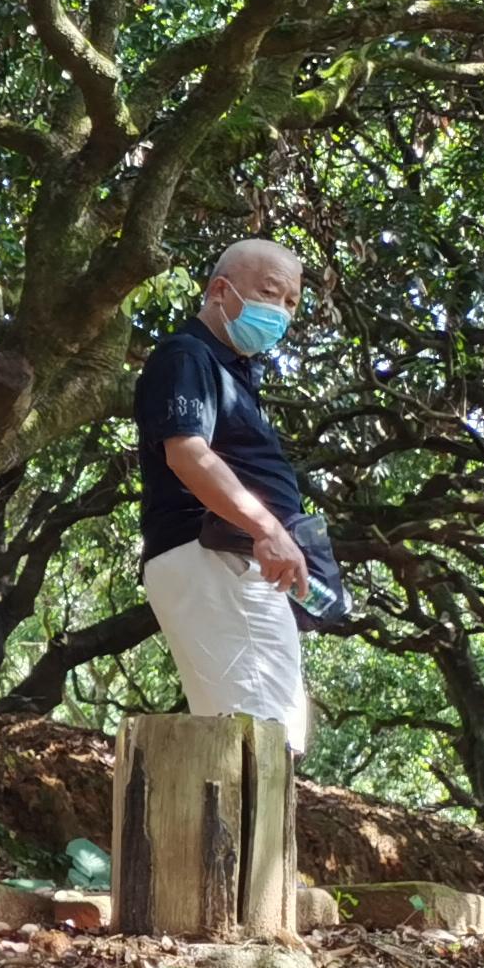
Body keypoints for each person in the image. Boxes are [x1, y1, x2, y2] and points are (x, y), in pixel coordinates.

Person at [132, 238, 312, 751]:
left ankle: (236, 831)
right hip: (214, 555)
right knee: (260, 737)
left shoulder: (230, 370)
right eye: (270, 293)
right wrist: (268, 529)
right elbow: (188, 453)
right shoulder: (186, 355)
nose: (279, 312)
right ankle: (243, 834)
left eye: (291, 304)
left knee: (247, 733)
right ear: (220, 290)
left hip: (226, 564)